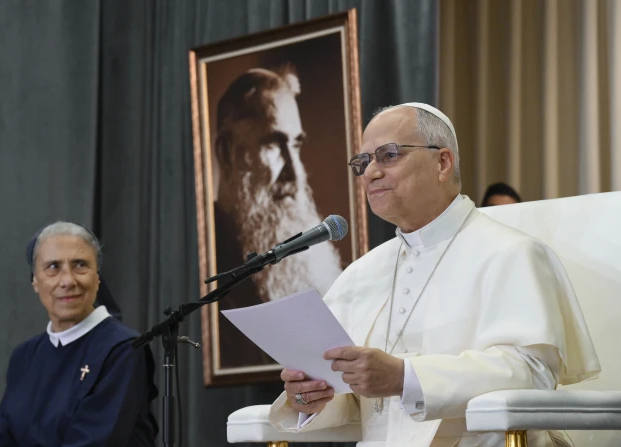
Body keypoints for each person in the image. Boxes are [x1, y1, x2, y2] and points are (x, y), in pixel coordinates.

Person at [268, 103, 600, 447]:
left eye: (389, 155)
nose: (371, 173)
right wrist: (312, 396)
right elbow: (355, 402)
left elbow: (534, 373)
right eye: (363, 162)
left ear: (443, 163)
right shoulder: (362, 273)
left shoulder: (512, 253)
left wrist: (405, 377)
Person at [213, 67, 343, 368]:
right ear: (226, 153)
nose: (295, 173)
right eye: (272, 144)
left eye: (296, 145)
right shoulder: (211, 257)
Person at [0, 222, 158, 446]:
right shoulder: (24, 357)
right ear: (35, 281)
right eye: (53, 267)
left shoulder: (122, 350)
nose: (67, 280)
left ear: (97, 278)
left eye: (80, 265)